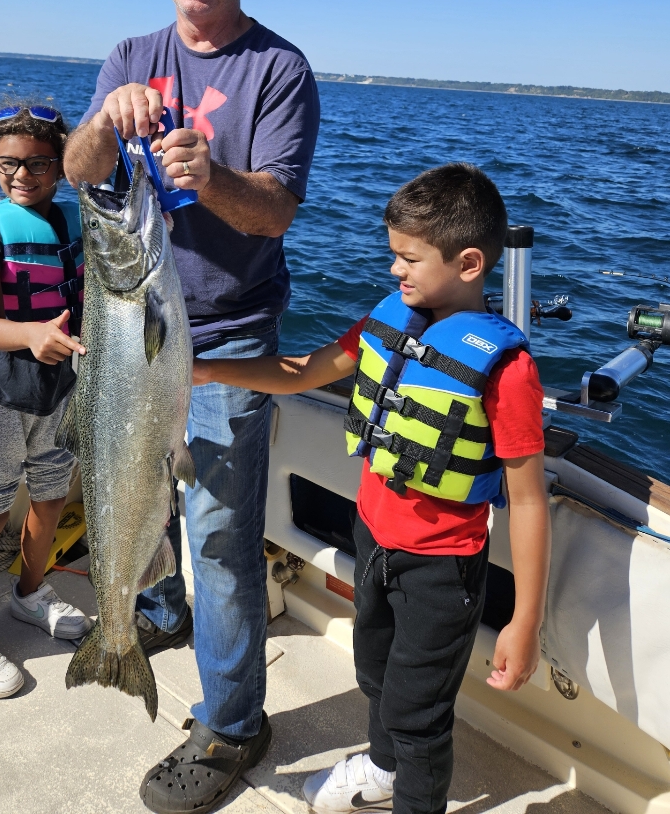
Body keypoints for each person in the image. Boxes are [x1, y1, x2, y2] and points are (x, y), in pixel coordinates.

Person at [63, 0, 320, 811]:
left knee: (217, 537)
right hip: (126, 327)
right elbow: (80, 173)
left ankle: (234, 724)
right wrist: (105, 119)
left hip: (229, 333)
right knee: (130, 483)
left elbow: (276, 210)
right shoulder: (131, 56)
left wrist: (210, 180)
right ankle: (153, 610)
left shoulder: (279, 70)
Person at [193, 163, 551, 814]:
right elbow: (303, 371)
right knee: (375, 673)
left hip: (440, 569)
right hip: (373, 541)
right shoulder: (389, 323)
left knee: (419, 717)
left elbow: (527, 500)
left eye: (409, 259)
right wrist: (210, 369)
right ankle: (383, 769)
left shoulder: (508, 371)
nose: (395, 270)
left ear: (469, 263)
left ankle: (410, 788)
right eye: (395, 255)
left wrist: (524, 621)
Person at [0, 102, 92, 699]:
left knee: (51, 499)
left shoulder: (76, 221)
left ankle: (29, 593)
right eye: (9, 164)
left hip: (61, 394)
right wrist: (32, 335)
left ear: (61, 166)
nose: (22, 175)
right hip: (0, 395)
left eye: (38, 163)